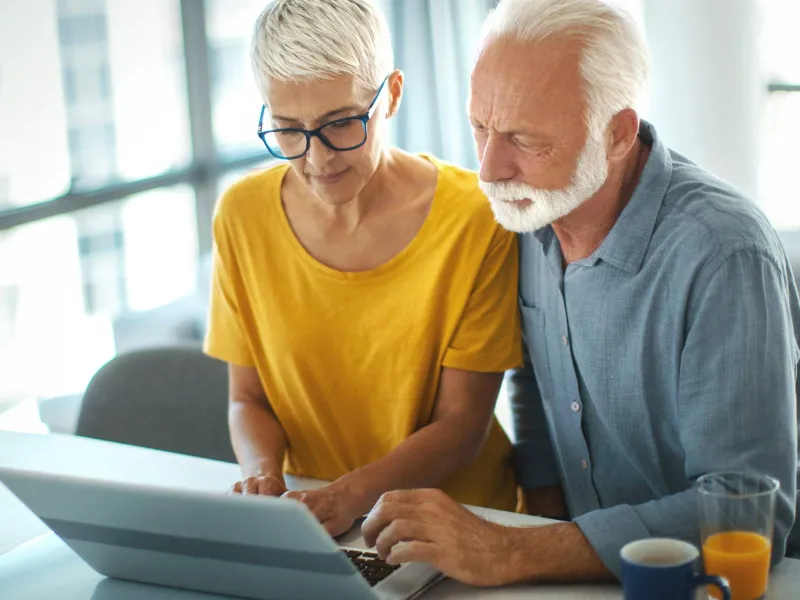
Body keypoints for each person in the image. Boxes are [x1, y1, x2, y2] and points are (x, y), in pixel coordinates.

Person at [362, 0, 800, 584]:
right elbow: (534, 387)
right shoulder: (530, 213)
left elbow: (747, 511)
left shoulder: (723, 254)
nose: (490, 169)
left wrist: (512, 552)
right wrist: (543, 529)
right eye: (480, 127)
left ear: (617, 134)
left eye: (525, 139)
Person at [203, 0, 523, 538]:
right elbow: (247, 398)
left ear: (391, 95)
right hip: (318, 524)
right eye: (288, 130)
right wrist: (262, 477)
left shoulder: (475, 219)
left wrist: (351, 495)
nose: (318, 160)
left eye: (342, 124)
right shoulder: (241, 214)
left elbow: (462, 426)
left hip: (459, 530)